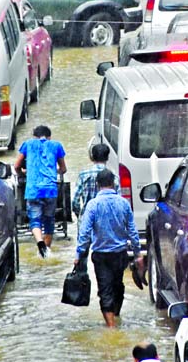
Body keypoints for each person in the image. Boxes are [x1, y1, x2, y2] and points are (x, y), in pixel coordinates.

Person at [74, 169, 143, 327]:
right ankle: (115, 317)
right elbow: (132, 231)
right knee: (118, 286)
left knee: (105, 289)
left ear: (98, 185)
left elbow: (84, 233)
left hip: (101, 255)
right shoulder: (123, 203)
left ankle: (111, 326)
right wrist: (138, 254)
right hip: (120, 254)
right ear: (113, 183)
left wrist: (79, 254)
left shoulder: (93, 205)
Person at [15, 125, 66, 258]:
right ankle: (46, 253)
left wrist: (23, 173)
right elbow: (63, 168)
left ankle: (39, 242)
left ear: (35, 136)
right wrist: (56, 172)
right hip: (50, 189)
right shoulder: (56, 145)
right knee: (49, 220)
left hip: (33, 189)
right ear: (49, 136)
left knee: (35, 220)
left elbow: (16, 166)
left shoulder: (28, 144)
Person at [72, 143, 114, 220]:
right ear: (107, 157)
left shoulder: (83, 175)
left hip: (87, 218)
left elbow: (75, 201)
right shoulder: (114, 176)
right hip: (107, 219)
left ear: (92, 157)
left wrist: (80, 214)